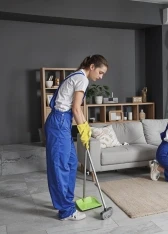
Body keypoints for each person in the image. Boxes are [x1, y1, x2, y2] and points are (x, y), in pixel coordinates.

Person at [45, 55, 108, 221]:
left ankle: (64, 201)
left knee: (72, 163)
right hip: (59, 122)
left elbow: (75, 111)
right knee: (61, 166)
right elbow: (76, 109)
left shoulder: (76, 75)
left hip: (62, 121)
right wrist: (84, 130)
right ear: (92, 66)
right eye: (100, 72)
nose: (101, 77)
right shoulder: (82, 79)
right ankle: (66, 210)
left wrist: (85, 127)